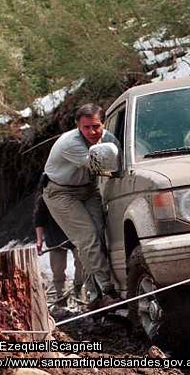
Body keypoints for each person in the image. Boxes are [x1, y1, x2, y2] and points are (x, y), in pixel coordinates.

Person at [43, 103, 121, 309]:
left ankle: (94, 294)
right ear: (78, 126)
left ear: (103, 124)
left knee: (100, 234)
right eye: (86, 127)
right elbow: (104, 165)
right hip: (61, 192)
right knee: (87, 238)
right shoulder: (71, 144)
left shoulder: (107, 138)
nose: (92, 132)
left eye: (96, 126)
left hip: (87, 189)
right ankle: (106, 290)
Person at [33, 174, 84, 307]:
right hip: (54, 237)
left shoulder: (70, 193)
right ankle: (61, 298)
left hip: (73, 235)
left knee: (82, 262)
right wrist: (39, 241)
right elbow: (38, 221)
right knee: (58, 270)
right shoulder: (43, 199)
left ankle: (78, 289)